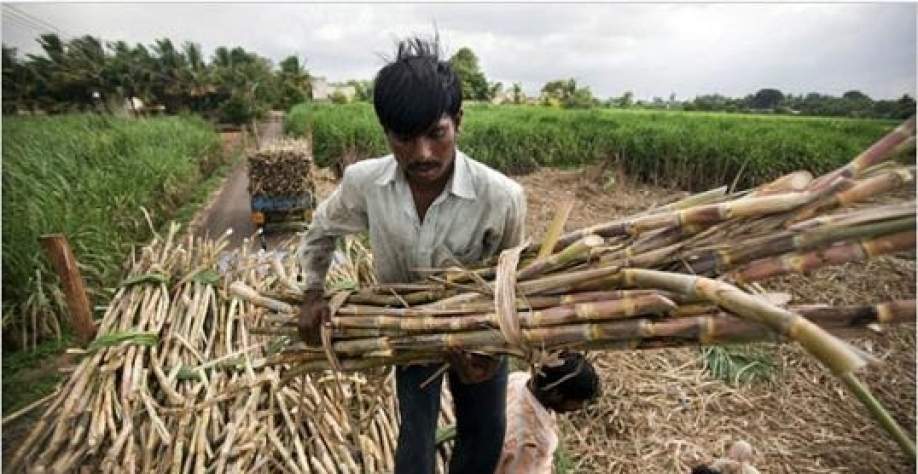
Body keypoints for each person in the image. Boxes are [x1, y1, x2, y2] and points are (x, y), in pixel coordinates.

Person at [296, 36, 527, 474]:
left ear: (457, 121)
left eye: (436, 134)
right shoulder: (365, 183)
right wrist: (312, 291)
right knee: (416, 441)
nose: (422, 154)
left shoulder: (501, 197)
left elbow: (513, 282)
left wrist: (493, 351)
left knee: (483, 441)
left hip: (478, 334)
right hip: (405, 327)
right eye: (403, 138)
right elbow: (321, 230)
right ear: (386, 132)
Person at [495, 352, 602, 474]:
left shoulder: (518, 380)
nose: (580, 406)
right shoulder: (530, 443)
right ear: (556, 394)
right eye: (578, 401)